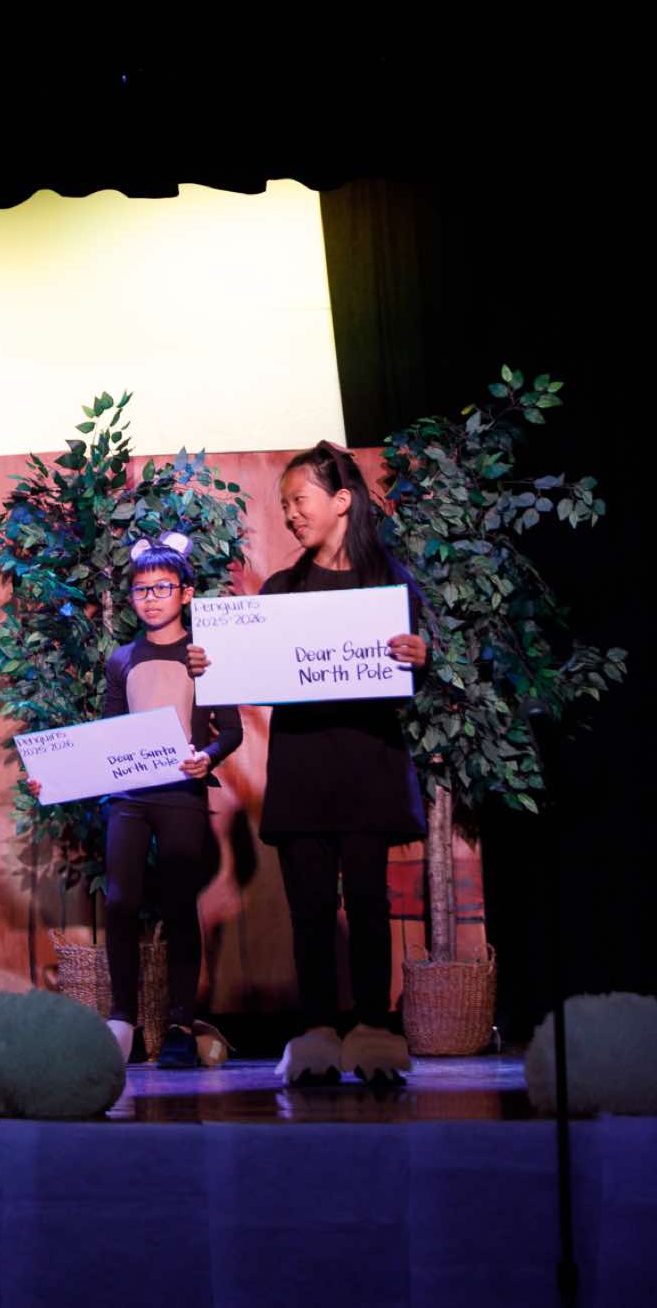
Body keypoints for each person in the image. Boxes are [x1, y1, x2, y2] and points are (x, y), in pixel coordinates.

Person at [189, 443, 428, 1086]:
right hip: (301, 768)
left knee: (369, 905)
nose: (291, 514)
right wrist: (212, 665)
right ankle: (317, 1031)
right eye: (285, 504)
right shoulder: (280, 590)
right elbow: (251, 669)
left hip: (367, 764)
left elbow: (408, 680)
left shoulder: (390, 585)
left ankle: (373, 1030)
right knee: (310, 909)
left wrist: (418, 658)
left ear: (342, 500)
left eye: (300, 500)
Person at [31, 532, 242, 1068]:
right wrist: (54, 778)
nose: (150, 598)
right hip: (128, 797)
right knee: (121, 902)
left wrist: (208, 758)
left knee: (179, 905)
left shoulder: (204, 658)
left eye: (162, 588)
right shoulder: (121, 660)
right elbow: (105, 738)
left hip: (181, 795)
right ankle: (122, 1019)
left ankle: (179, 1022)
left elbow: (231, 731)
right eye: (141, 590)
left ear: (186, 593)